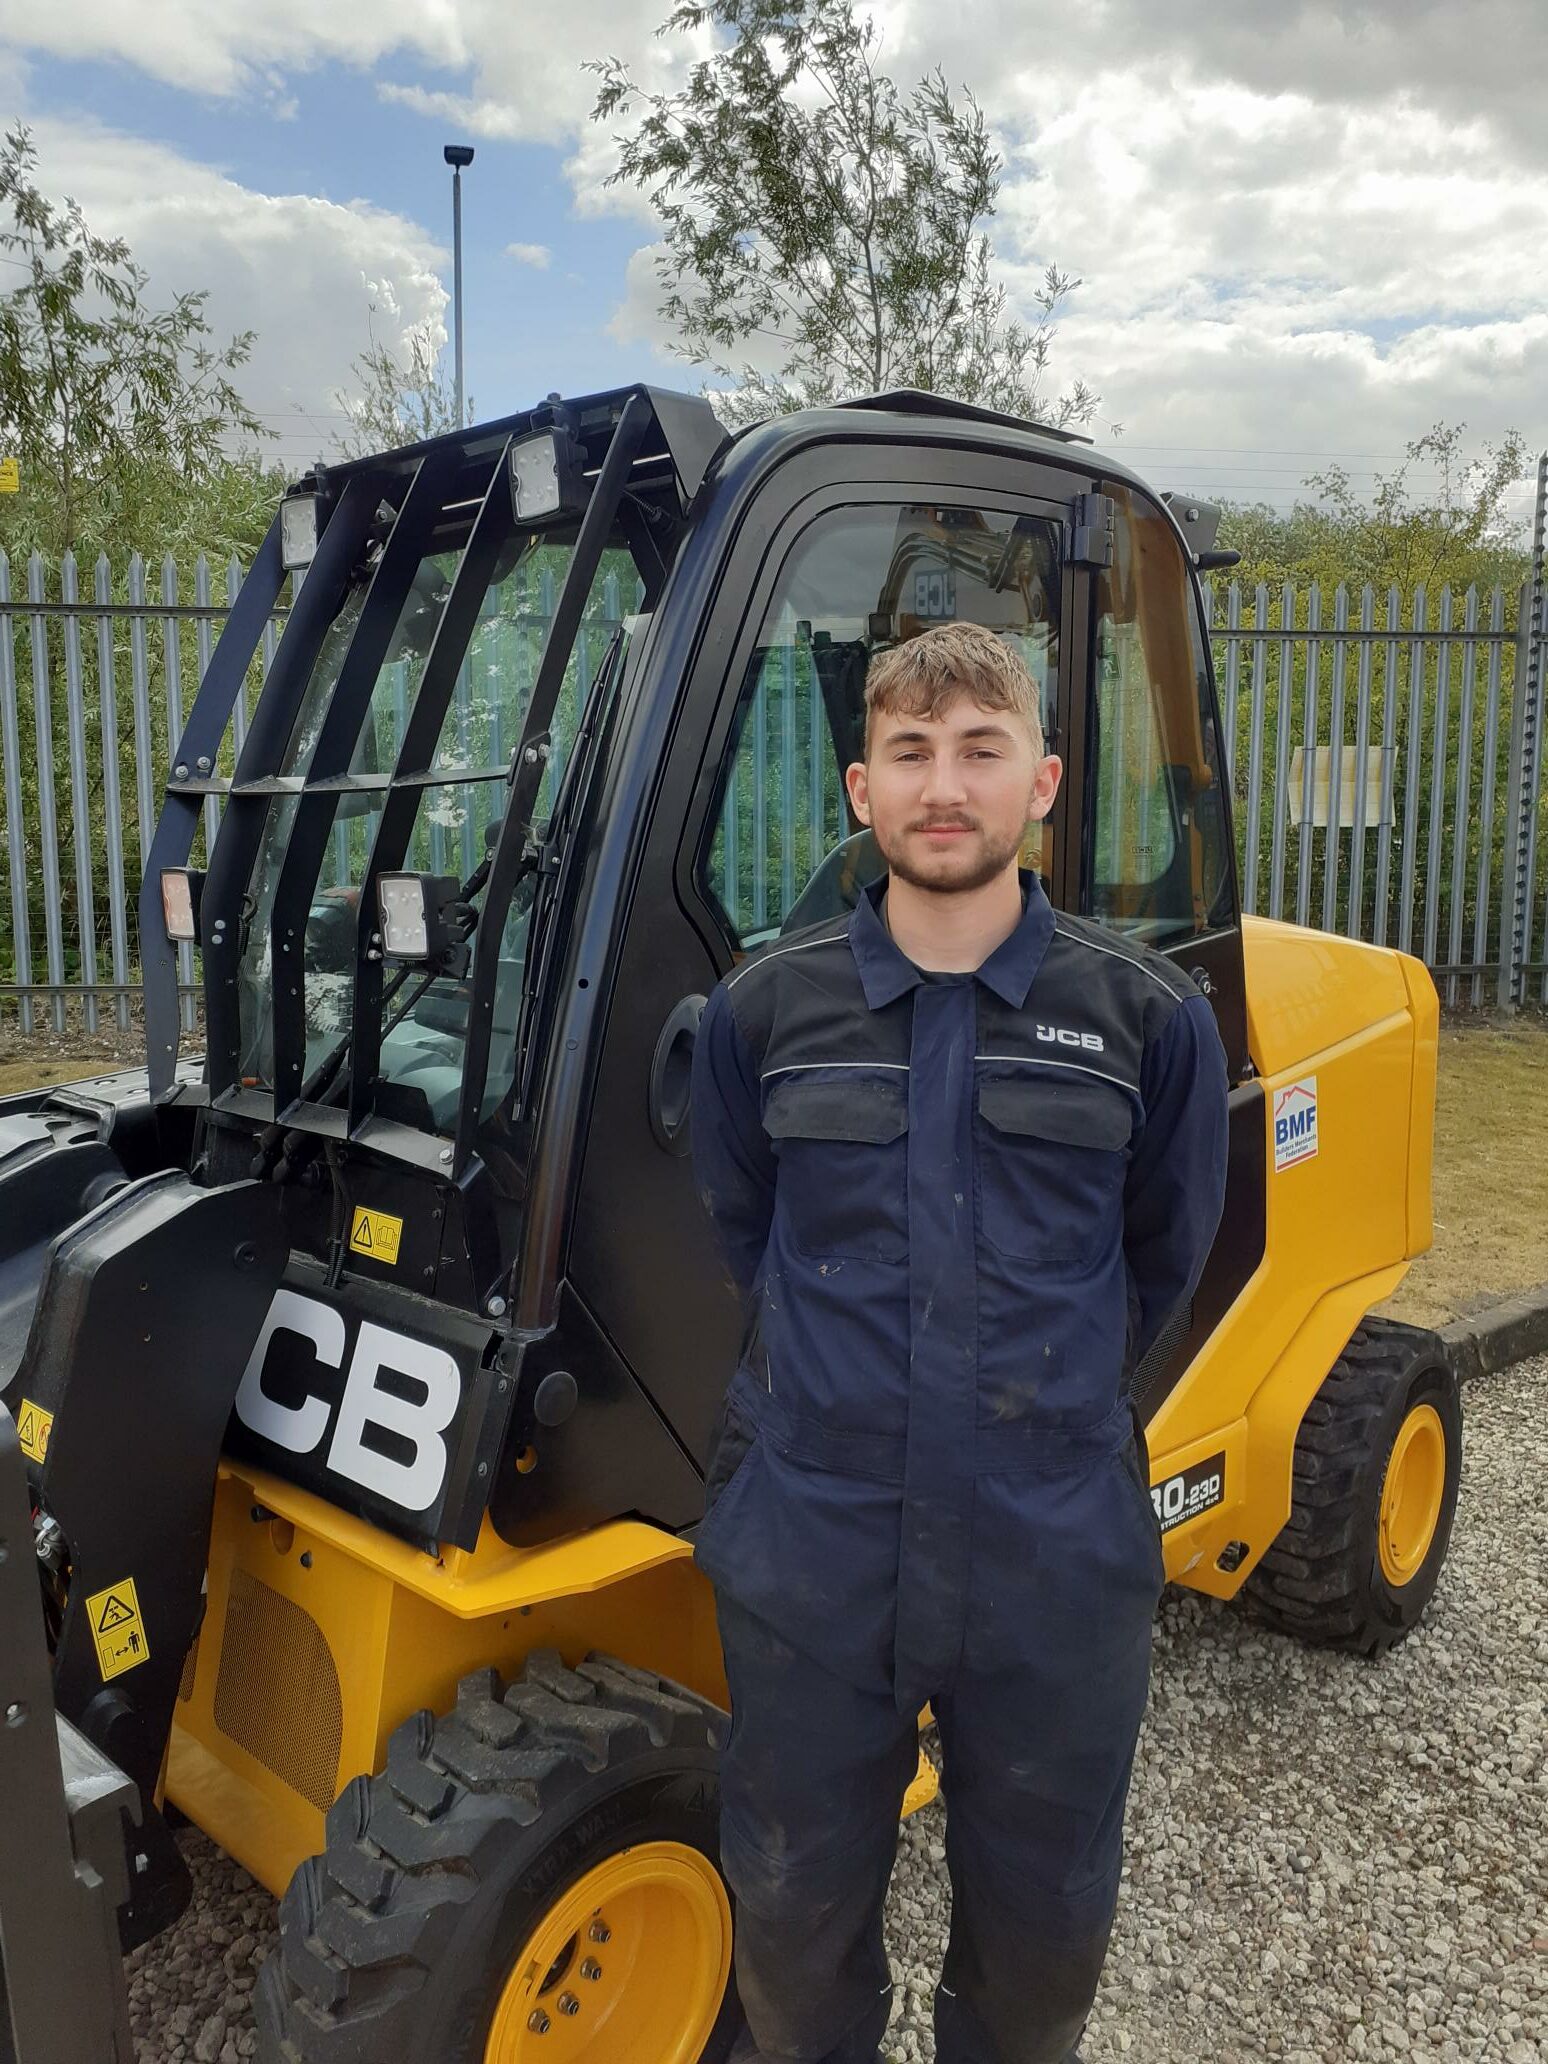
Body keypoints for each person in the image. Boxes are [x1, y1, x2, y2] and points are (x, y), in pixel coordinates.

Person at [690, 621, 1230, 2064]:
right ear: (860, 791)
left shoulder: (1150, 1022)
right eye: (911, 752)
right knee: (793, 1934)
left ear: (1041, 782)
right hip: (816, 1545)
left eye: (981, 750)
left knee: (1043, 1952)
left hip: (1052, 1552)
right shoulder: (763, 1016)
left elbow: (1166, 1259)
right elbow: (746, 1232)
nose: (947, 785)